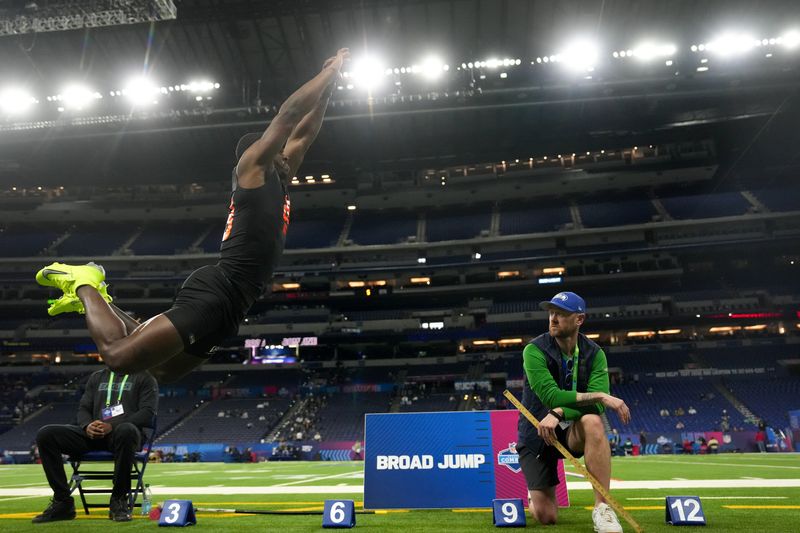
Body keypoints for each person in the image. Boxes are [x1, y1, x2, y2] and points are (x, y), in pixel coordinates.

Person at [33, 48, 350, 383]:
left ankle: (101, 301)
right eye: (279, 151)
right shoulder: (253, 169)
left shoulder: (280, 179)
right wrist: (330, 71)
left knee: (162, 368)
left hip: (235, 303)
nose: (288, 155)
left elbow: (304, 133)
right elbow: (289, 117)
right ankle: (84, 283)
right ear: (262, 152)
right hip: (219, 288)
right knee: (119, 357)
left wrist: (331, 88)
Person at [516, 291, 630, 533]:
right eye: (551, 313)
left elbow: (597, 408)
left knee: (593, 420)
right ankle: (534, 496)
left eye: (561, 314)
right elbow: (552, 396)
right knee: (547, 517)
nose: (553, 319)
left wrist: (559, 411)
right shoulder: (534, 350)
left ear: (579, 319)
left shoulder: (595, 353)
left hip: (570, 430)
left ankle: (602, 509)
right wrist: (598, 394)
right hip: (537, 433)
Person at [32, 368, 157, 523]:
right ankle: (63, 503)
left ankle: (118, 501)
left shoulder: (144, 377)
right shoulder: (97, 377)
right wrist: (87, 425)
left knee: (127, 430)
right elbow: (83, 408)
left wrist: (113, 425)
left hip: (123, 436)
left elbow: (147, 412)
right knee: (46, 434)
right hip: (93, 434)